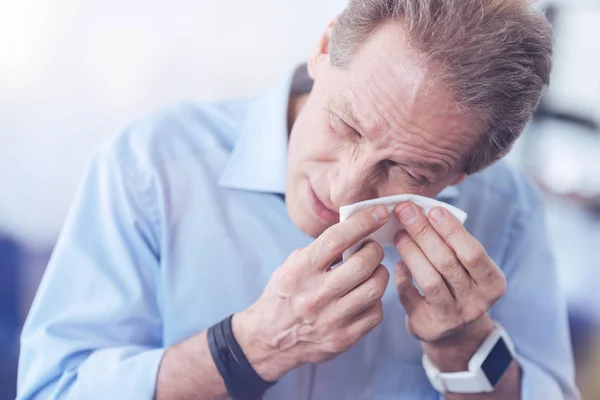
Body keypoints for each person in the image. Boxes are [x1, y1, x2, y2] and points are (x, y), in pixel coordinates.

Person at [18, 0, 579, 399]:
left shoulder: (507, 211)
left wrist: (463, 347)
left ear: (470, 168)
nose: (344, 190)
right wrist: (250, 348)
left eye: (409, 169)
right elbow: (52, 390)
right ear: (324, 47)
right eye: (345, 124)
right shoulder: (150, 166)